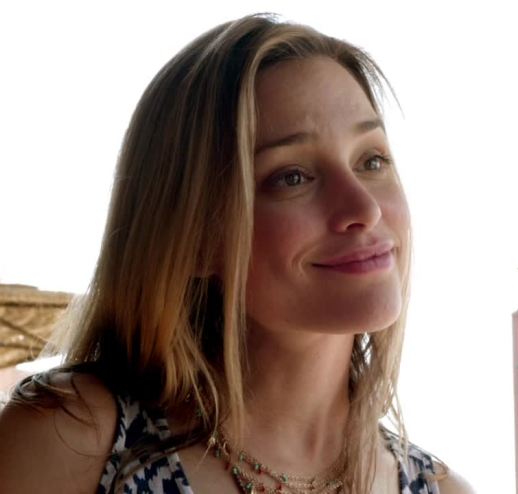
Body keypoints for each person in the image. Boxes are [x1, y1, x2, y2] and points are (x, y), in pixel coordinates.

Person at [0, 14, 473, 494]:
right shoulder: (73, 445)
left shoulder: (442, 489)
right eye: (292, 177)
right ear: (195, 238)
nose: (364, 209)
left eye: (372, 160)